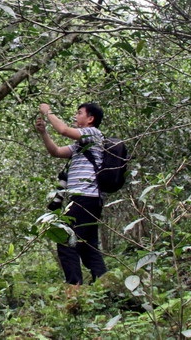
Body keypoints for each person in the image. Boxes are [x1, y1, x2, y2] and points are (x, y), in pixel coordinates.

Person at [35, 102, 107, 286]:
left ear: (90, 119)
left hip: (85, 197)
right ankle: (106, 286)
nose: (76, 116)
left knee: (65, 240)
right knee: (88, 247)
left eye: (79, 113)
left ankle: (74, 289)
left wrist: (48, 112)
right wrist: (44, 133)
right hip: (88, 199)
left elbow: (64, 130)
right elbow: (56, 151)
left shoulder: (93, 134)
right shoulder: (81, 145)